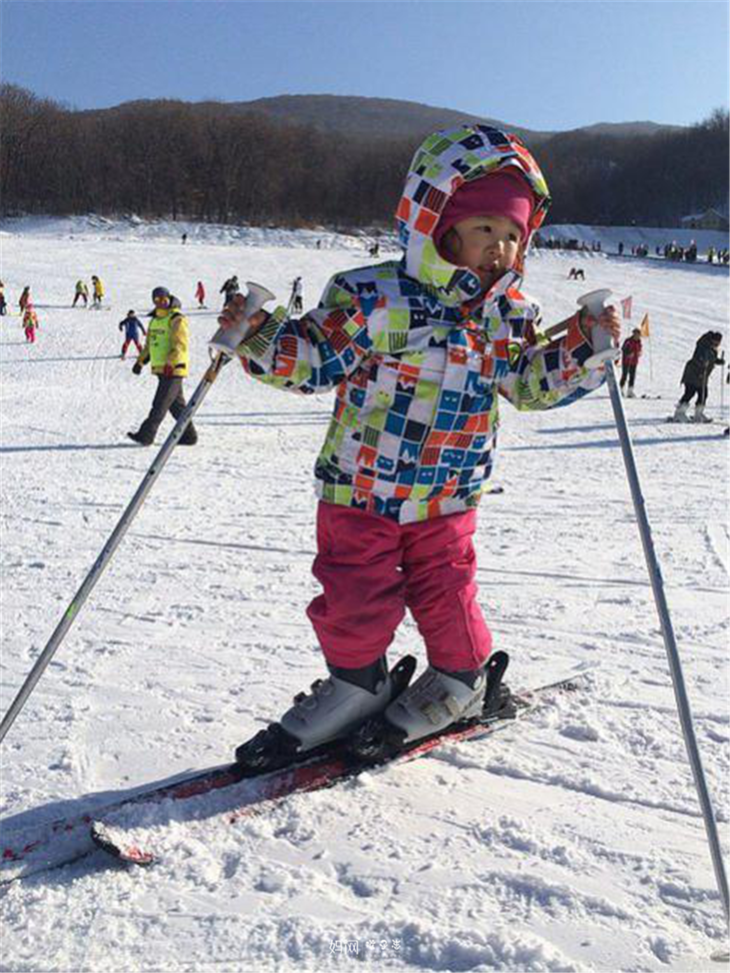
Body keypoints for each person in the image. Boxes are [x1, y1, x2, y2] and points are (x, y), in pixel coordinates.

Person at [220, 124, 620, 768]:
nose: (500, 247)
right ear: (435, 223)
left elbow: (527, 381)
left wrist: (583, 351)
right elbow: (315, 360)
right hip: (361, 488)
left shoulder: (508, 316)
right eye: (485, 227)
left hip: (449, 494)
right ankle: (358, 682)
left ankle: (462, 678)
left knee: (447, 592)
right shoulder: (372, 297)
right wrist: (261, 338)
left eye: (513, 235)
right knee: (351, 594)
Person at [127, 287, 198, 446]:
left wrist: (170, 363)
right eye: (156, 300)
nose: (160, 302)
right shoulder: (155, 320)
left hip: (173, 369)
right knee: (177, 406)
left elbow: (180, 344)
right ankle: (189, 436)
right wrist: (140, 362)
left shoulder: (176, 318)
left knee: (160, 403)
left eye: (163, 299)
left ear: (169, 298)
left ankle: (146, 435)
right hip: (161, 369)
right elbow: (149, 345)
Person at [673, 331, 724, 423]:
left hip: (702, 375)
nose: (718, 344)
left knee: (703, 394)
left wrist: (717, 361)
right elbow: (699, 357)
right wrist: (702, 362)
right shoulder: (703, 345)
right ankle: (679, 413)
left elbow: (710, 359)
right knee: (690, 392)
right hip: (693, 373)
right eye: (717, 342)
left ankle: (698, 414)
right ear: (713, 339)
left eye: (719, 342)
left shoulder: (712, 348)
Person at [619, 328, 642, 397]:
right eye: (636, 334)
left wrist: (639, 353)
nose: (637, 336)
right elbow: (623, 349)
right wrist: (628, 353)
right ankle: (620, 390)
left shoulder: (639, 342)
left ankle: (630, 391)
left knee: (632, 376)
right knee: (624, 375)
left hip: (634, 362)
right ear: (633, 334)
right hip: (626, 361)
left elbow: (639, 349)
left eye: (638, 335)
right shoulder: (628, 341)